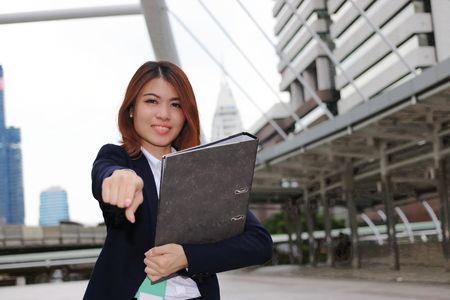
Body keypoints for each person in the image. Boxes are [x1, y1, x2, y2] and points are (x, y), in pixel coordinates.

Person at [83, 61, 273, 300]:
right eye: (151, 101)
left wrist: (187, 257)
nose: (163, 113)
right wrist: (120, 177)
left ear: (186, 114)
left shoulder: (204, 172)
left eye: (176, 104)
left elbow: (259, 243)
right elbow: (105, 171)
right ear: (131, 108)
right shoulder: (118, 159)